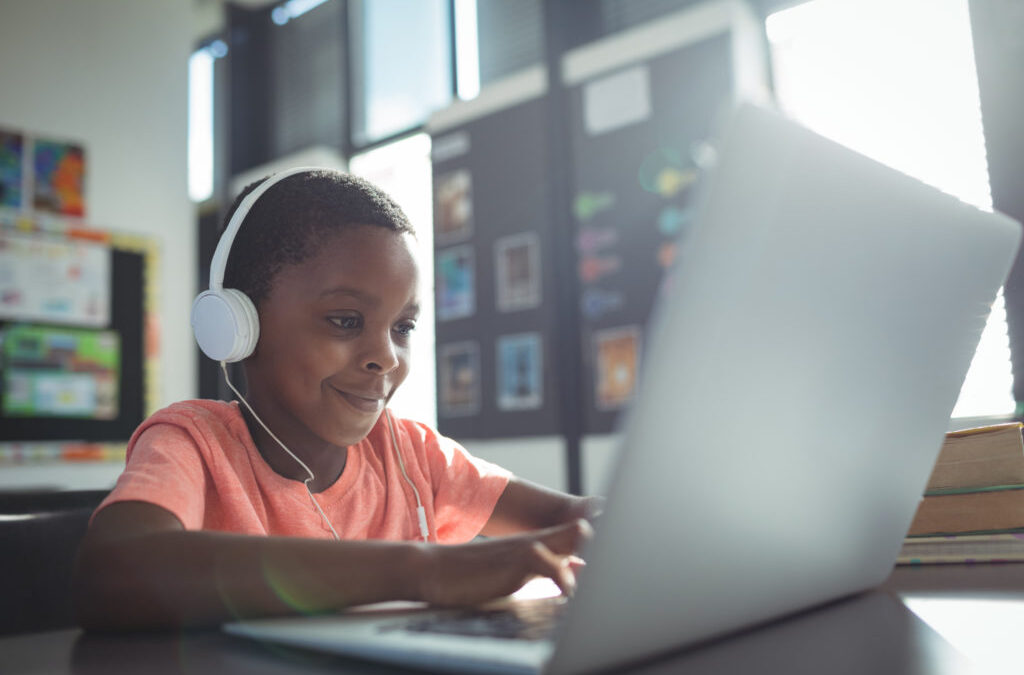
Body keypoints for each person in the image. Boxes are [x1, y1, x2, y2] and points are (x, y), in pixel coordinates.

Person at [74, 169, 599, 631]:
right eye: (346, 321)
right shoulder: (194, 444)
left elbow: (573, 522)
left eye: (403, 327)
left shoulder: (411, 454)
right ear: (238, 325)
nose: (386, 357)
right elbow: (116, 569)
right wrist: (424, 570)